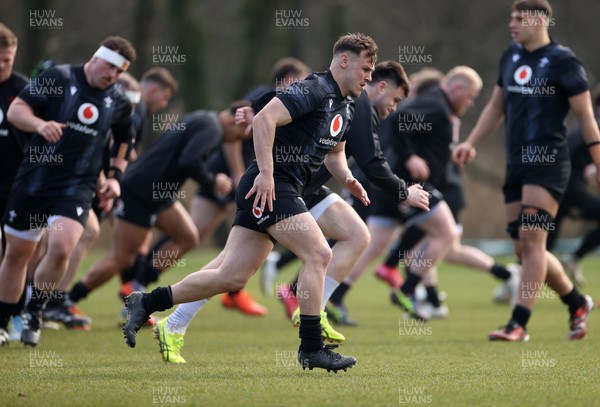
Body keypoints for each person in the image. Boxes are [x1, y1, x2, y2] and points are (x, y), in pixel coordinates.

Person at [122, 33, 380, 373]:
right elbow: (263, 119)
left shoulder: (346, 105)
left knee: (231, 277)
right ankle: (312, 347)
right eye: (367, 67)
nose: (370, 76)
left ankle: (147, 301)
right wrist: (267, 174)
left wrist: (347, 178)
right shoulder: (314, 88)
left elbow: (335, 153)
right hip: (274, 189)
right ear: (344, 60)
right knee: (319, 253)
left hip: (277, 191)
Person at [150, 60, 429, 364]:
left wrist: (254, 108)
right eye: (396, 99)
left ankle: (312, 310)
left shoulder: (346, 102)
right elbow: (373, 161)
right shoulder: (360, 106)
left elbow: (322, 140)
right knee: (233, 270)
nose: (394, 107)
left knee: (355, 235)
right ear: (380, 87)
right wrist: (404, 191)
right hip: (284, 187)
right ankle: (173, 320)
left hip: (304, 189)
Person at [453, 0, 597, 341]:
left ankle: (518, 324)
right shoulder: (510, 55)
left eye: (519, 18)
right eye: (511, 17)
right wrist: (470, 141)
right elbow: (496, 105)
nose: (512, 24)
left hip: (547, 163)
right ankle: (577, 303)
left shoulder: (563, 61)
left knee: (533, 242)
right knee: (526, 250)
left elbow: (586, 117)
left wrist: (598, 161)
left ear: (540, 21)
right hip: (515, 163)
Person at [121, 58, 311, 318]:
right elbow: (231, 137)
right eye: (302, 80)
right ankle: (140, 287)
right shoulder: (258, 99)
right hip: (231, 177)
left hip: (242, 178)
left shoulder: (292, 104)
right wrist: (234, 174)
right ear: (288, 80)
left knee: (215, 244)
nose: (306, 86)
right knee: (198, 238)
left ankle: (221, 292)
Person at [0, 36, 137, 346]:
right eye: (110, 67)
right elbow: (16, 111)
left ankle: (35, 309)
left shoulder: (118, 100)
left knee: (62, 247)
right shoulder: (58, 78)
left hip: (77, 186)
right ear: (96, 57)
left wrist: (115, 177)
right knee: (17, 254)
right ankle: (3, 321)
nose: (112, 76)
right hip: (34, 181)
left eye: (120, 71)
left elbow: (124, 140)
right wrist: (38, 125)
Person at [67, 103, 251, 317]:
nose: (239, 140)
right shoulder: (213, 128)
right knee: (121, 258)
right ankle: (70, 299)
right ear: (233, 120)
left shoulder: (202, 117)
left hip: (159, 192)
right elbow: (189, 161)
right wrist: (214, 180)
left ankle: (137, 284)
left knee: (188, 236)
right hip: (140, 190)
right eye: (241, 134)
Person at [546, 85, 600, 286]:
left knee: (544, 243)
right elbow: (566, 151)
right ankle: (574, 257)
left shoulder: (590, 124)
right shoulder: (593, 125)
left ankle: (514, 281)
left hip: (562, 188)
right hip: (568, 189)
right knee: (542, 242)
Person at [0, 23, 32, 345]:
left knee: (16, 254)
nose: (2, 66)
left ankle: (14, 316)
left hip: (18, 186)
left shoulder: (26, 91)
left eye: (7, 59)